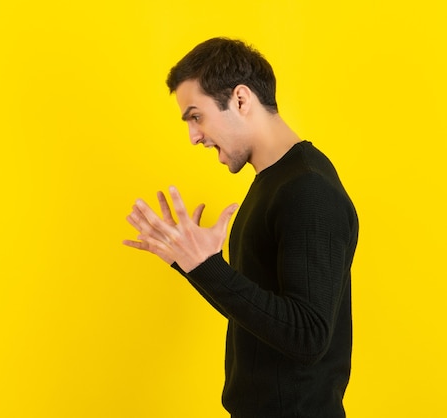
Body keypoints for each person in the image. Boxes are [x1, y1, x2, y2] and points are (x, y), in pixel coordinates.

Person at [123, 37, 359, 418]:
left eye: (196, 116)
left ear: (241, 100)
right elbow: (259, 316)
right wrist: (193, 264)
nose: (193, 136)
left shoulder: (308, 190)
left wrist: (204, 266)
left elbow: (309, 335)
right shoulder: (274, 183)